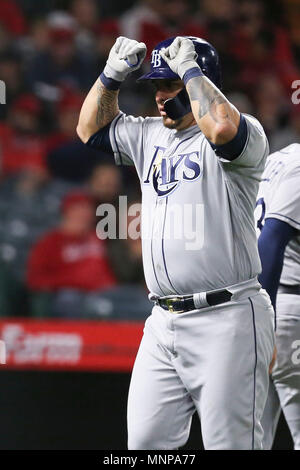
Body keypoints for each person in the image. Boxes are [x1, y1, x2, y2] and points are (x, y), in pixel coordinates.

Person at [77, 35, 275, 450]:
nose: (163, 96)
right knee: (145, 445)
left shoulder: (245, 134)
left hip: (228, 316)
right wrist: (111, 75)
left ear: (201, 80)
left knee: (232, 445)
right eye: (157, 87)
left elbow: (222, 128)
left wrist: (191, 72)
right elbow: (89, 128)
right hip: (163, 321)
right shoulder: (149, 135)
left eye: (172, 86)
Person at [256, 143, 300, 450]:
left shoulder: (276, 159)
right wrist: (264, 318)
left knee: (251, 437)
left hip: (267, 302)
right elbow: (272, 238)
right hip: (288, 311)